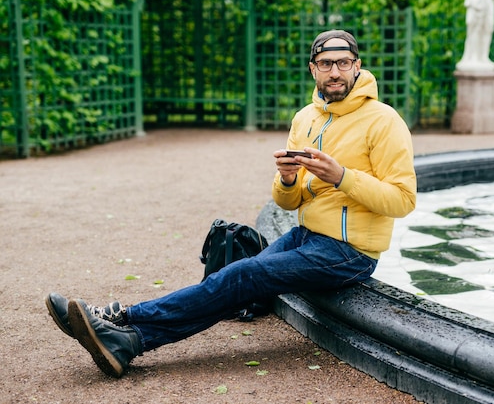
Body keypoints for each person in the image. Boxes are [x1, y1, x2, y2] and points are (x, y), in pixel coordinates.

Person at [45, 29, 417, 378]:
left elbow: (402, 200)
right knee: (235, 280)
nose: (334, 72)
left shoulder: (384, 121)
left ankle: (122, 317)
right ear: (312, 69)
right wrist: (288, 179)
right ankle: (127, 341)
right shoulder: (306, 118)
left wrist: (342, 176)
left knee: (241, 275)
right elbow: (288, 202)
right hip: (308, 236)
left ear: (357, 65)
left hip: (350, 252)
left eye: (343, 63)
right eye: (326, 64)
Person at [456, 0, 494, 71]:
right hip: (476, 1)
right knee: (474, 31)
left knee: (488, 29)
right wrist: (473, 0)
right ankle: (473, 56)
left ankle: (484, 56)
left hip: (488, 2)